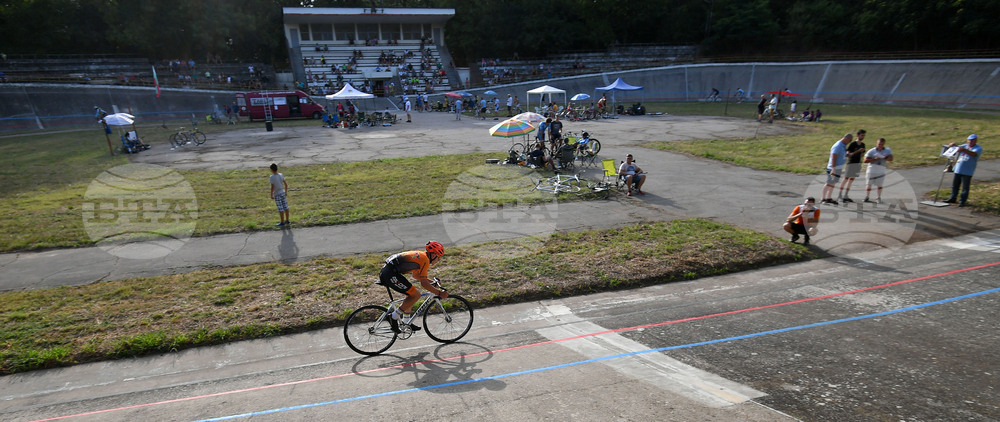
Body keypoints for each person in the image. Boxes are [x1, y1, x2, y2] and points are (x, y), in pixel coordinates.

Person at [379, 241, 449, 333]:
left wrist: (432, 282)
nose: (438, 260)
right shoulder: (425, 260)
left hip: (389, 271)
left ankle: (406, 322)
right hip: (390, 274)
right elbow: (424, 284)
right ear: (433, 255)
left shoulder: (422, 256)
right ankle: (393, 317)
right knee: (416, 295)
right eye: (438, 257)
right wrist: (439, 293)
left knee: (411, 294)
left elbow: (416, 276)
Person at [945, 134, 983, 207]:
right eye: (969, 140)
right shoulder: (965, 146)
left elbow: (973, 154)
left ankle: (962, 201)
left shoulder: (978, 148)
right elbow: (957, 147)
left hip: (968, 171)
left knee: (965, 187)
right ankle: (953, 198)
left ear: (975, 141)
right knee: (955, 185)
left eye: (972, 140)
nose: (970, 142)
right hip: (958, 169)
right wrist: (953, 145)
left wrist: (963, 150)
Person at [821, 133, 853, 205]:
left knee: (833, 183)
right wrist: (833, 169)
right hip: (833, 168)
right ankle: (823, 198)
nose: (850, 142)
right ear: (846, 138)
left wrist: (847, 155)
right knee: (829, 183)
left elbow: (841, 155)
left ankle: (828, 197)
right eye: (850, 140)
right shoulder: (838, 146)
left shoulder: (843, 146)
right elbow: (834, 157)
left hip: (839, 167)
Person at [838, 129, 867, 203]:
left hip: (857, 163)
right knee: (846, 178)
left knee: (851, 180)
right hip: (851, 163)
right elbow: (848, 154)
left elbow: (862, 154)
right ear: (858, 135)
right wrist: (857, 151)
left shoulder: (863, 145)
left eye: (864, 135)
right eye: (862, 135)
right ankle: (840, 194)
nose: (863, 137)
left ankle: (846, 195)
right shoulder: (853, 144)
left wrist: (861, 153)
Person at [863, 137, 893, 204]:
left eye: (882, 144)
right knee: (869, 184)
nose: (880, 146)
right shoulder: (872, 151)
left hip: (881, 169)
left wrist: (884, 157)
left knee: (879, 184)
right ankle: (867, 196)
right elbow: (865, 160)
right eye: (879, 144)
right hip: (872, 168)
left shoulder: (887, 150)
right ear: (877, 143)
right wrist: (875, 159)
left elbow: (891, 159)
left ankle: (878, 197)